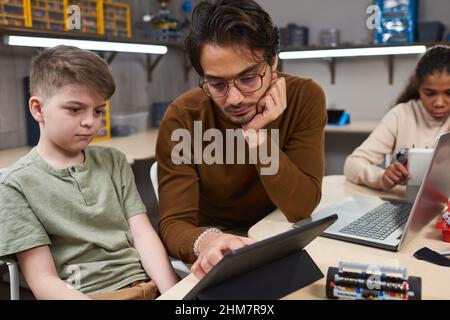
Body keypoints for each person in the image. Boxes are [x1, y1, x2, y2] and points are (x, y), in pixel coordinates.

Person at [156, 0, 327, 279]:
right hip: (217, 246)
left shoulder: (305, 97)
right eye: (217, 84)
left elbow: (301, 208)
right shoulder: (183, 115)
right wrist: (209, 241)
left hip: (279, 235)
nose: (234, 99)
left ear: (273, 60)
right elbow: (174, 223)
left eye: (248, 78)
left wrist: (257, 137)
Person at [0, 46, 178, 299]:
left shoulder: (114, 161)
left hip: (146, 286)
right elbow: (43, 280)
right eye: (75, 109)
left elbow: (143, 234)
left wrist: (175, 295)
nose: (90, 122)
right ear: (38, 109)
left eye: (98, 111)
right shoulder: (15, 185)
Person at [344, 45, 450, 190]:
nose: (439, 103)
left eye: (449, 93)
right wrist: (380, 177)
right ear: (418, 87)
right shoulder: (401, 115)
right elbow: (353, 164)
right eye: (430, 93)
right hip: (401, 203)